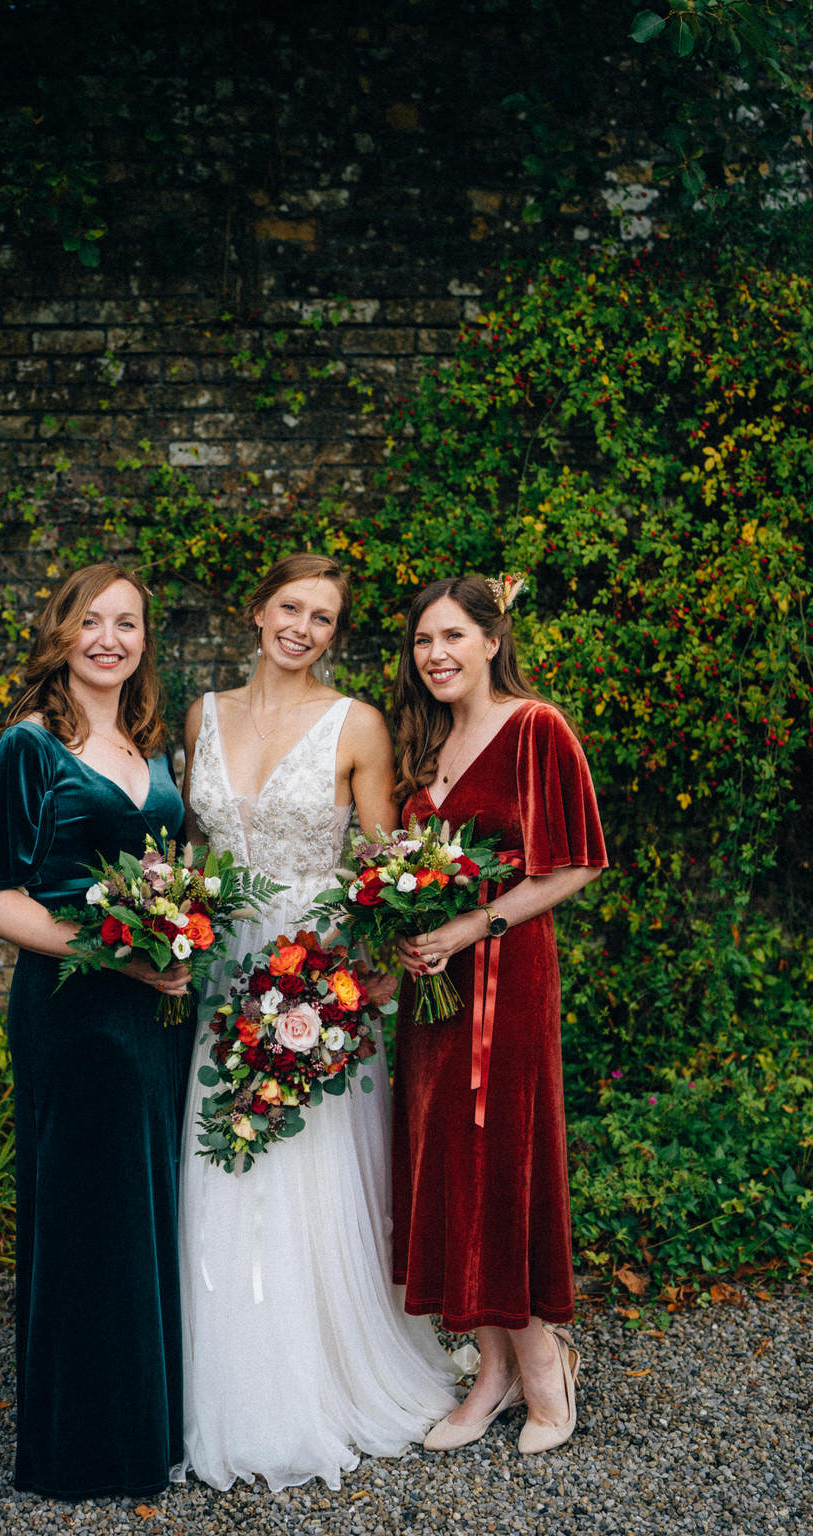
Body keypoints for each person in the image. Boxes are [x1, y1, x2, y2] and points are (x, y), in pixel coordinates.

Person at [176, 552, 459, 1491]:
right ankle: (224, 1385)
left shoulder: (358, 725)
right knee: (223, 1161)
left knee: (304, 1172)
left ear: (335, 636)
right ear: (255, 611)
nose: (303, 627)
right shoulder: (200, 716)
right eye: (291, 607)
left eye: (325, 618)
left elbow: (380, 869)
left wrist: (357, 979)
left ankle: (321, 1379)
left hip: (315, 977)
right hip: (220, 975)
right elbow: (192, 851)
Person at [0, 563, 194, 1500]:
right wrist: (120, 958)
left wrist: (174, 938)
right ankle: (80, 1451)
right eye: (91, 621)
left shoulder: (147, 744)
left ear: (143, 643)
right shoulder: (30, 748)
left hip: (154, 1017)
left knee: (143, 1218)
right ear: (62, 632)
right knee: (85, 1220)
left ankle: (145, 1434)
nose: (109, 639)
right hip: (73, 1014)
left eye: (126, 624)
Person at [391, 574, 607, 1457]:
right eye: (421, 642)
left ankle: (543, 1361)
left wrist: (470, 927)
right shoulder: (425, 741)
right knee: (443, 1160)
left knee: (504, 1159)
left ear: (490, 639)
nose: (436, 655)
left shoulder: (535, 729)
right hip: (430, 993)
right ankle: (491, 1367)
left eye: (452, 637)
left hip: (505, 981)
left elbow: (576, 865)